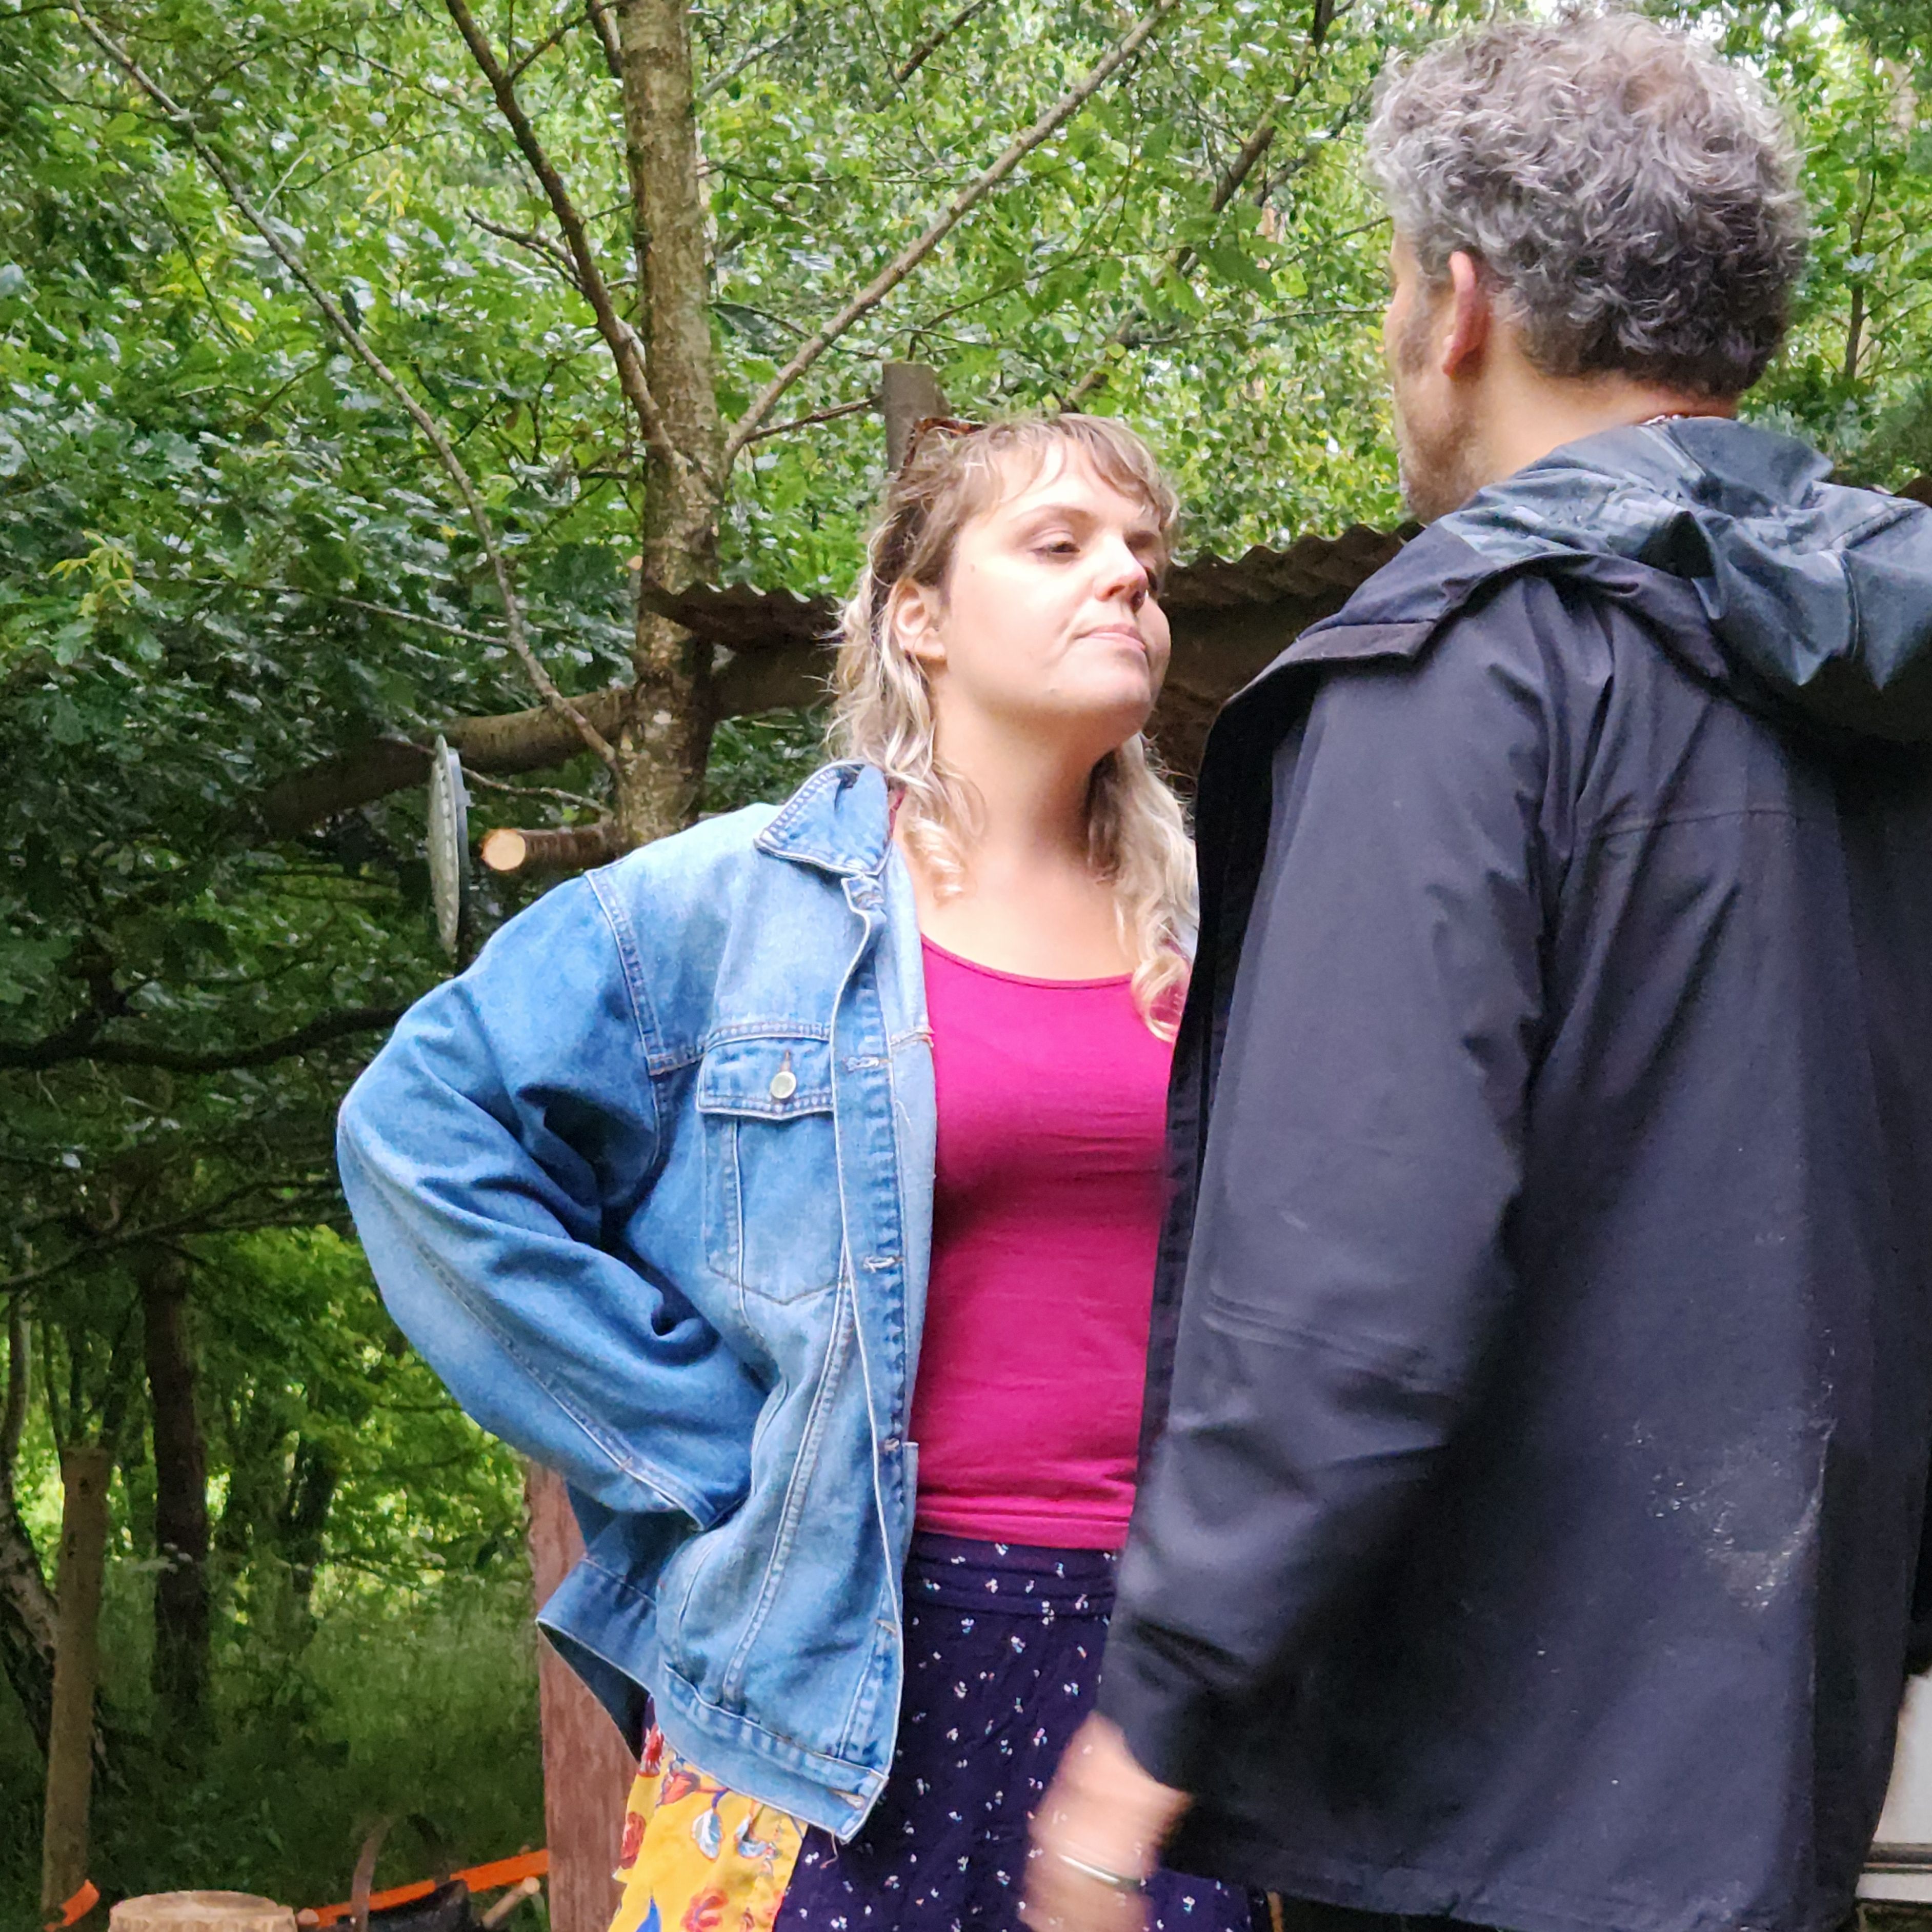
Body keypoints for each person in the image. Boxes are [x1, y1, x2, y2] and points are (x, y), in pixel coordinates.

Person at [1024, 16, 1932, 1932]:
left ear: (1461, 305)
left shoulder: (1466, 674)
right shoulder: (1896, 684)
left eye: (1388, 286)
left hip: (1484, 1817)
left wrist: (1144, 1733)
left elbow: (1350, 1285)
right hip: (1786, 1779)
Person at [336, 413, 1260, 1932]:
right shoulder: (734, 905)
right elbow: (417, 1132)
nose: (1127, 586)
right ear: (919, 618)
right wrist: (707, 1453)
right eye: (1061, 546)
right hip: (815, 1651)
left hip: (1151, 1693)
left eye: (1146, 564)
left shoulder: (1218, 938)